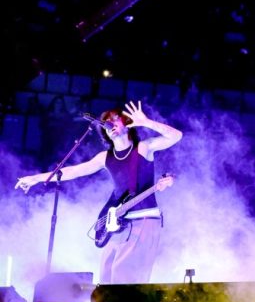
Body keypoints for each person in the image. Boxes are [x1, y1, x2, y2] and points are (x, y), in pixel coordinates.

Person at [15, 101, 183, 284]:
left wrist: (146, 122)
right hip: (116, 223)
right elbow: (73, 171)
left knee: (125, 277)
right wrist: (35, 178)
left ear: (127, 123)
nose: (110, 124)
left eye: (115, 120)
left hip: (143, 219)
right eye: (106, 123)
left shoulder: (142, 148)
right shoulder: (105, 157)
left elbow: (176, 136)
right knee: (106, 277)